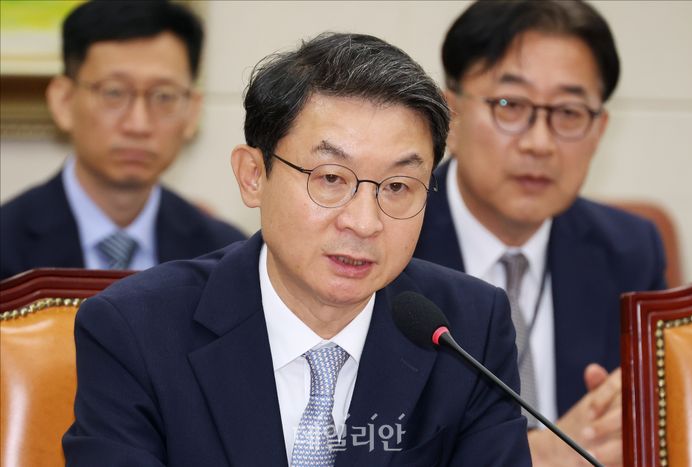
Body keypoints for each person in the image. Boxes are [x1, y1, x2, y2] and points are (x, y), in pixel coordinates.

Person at [62, 32, 531, 466]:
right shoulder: (136, 330)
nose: (364, 223)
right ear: (253, 176)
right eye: (331, 179)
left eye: (397, 186)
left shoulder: (468, 331)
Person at [414, 1, 667, 466]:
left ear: (599, 130)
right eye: (510, 105)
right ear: (452, 116)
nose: (539, 143)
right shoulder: (390, 242)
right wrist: (537, 455)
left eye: (569, 112)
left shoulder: (631, 252)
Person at [0, 0, 246, 280]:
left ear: (192, 111)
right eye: (114, 93)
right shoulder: (6, 243)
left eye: (164, 96)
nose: (138, 125)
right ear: (64, 101)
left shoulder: (225, 255)